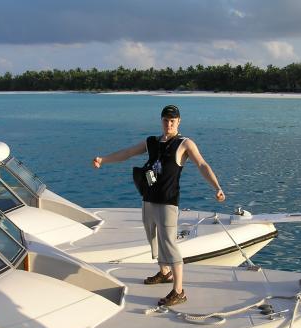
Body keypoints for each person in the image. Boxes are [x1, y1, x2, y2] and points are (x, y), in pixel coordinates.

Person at [93, 105, 225, 306]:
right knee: (152, 238)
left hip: (167, 202)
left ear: (179, 121)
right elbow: (128, 152)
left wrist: (217, 187)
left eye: (172, 120)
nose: (169, 124)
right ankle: (164, 273)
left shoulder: (185, 143)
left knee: (169, 243)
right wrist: (104, 160)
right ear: (161, 121)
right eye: (165, 120)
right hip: (148, 198)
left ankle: (178, 291)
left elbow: (202, 164)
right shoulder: (152, 142)